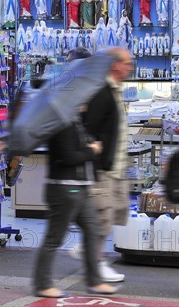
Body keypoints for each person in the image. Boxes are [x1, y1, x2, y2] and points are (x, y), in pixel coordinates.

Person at [33, 49, 118, 298]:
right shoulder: (61, 122)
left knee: (92, 230)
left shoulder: (74, 120)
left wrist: (89, 145)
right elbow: (67, 156)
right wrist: (92, 150)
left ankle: (94, 280)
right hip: (64, 188)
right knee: (55, 237)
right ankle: (42, 283)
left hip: (79, 186)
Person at [81, 47, 133, 282]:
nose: (130, 68)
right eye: (126, 63)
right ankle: (96, 263)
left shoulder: (115, 90)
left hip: (116, 166)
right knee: (102, 217)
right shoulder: (103, 92)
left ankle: (88, 252)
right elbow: (90, 129)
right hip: (104, 168)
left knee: (113, 214)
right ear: (115, 65)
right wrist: (97, 155)